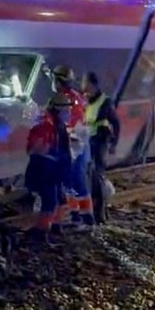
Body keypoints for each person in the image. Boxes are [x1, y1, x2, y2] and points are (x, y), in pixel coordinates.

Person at [24, 92, 73, 244]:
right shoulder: (45, 125)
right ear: (58, 110)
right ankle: (41, 232)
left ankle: (55, 227)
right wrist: (53, 153)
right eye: (66, 110)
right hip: (45, 169)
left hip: (55, 169)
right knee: (50, 201)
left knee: (59, 198)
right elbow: (35, 148)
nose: (68, 113)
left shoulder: (58, 125)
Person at [53, 65, 94, 226]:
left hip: (76, 146)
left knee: (77, 180)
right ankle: (75, 215)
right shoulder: (66, 97)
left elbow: (72, 124)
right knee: (68, 181)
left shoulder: (71, 100)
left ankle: (87, 218)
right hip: (70, 146)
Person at [83, 72, 120, 224]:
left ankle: (100, 213)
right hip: (86, 142)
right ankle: (93, 211)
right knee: (89, 177)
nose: (83, 85)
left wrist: (114, 144)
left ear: (92, 84)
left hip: (100, 142)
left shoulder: (105, 102)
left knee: (97, 177)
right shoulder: (86, 100)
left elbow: (116, 123)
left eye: (85, 82)